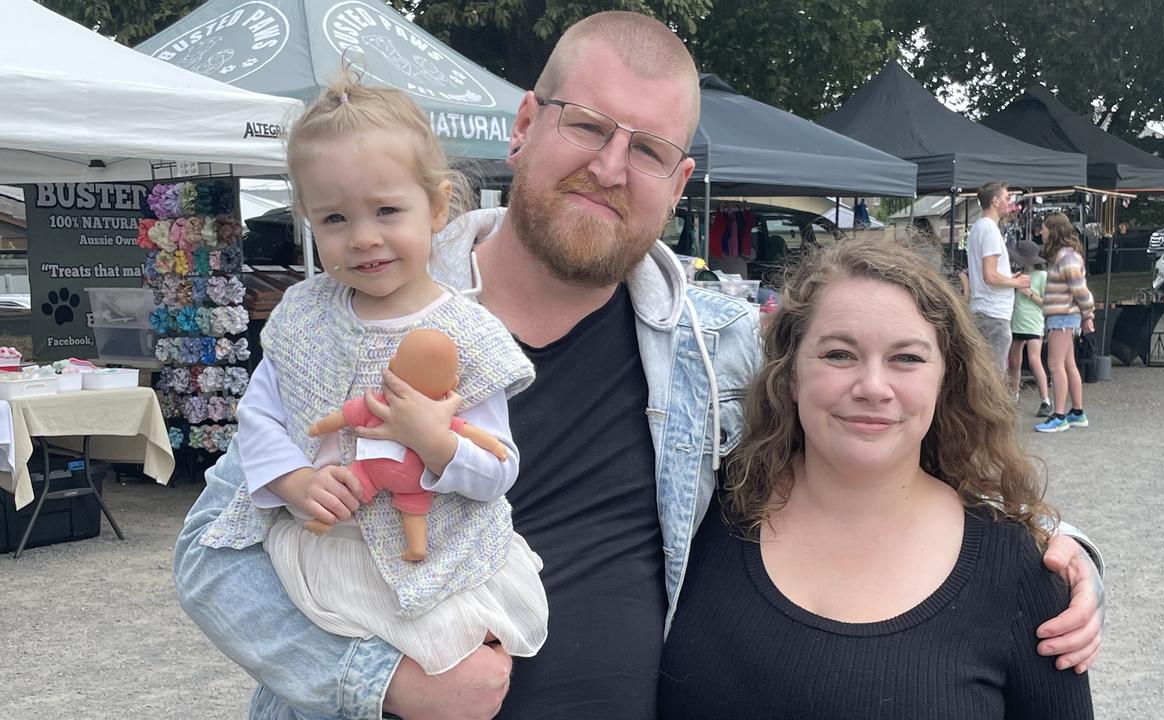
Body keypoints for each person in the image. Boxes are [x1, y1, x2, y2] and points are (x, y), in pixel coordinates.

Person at [174, 12, 1105, 720]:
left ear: (679, 182)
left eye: (649, 149)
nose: (611, 167)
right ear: (525, 124)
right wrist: (388, 687)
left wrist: (1055, 554)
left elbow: (876, 436)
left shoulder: (718, 347)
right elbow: (211, 557)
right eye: (587, 126)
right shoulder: (349, 322)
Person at [658, 236, 1093, 718]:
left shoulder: (1021, 572)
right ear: (790, 373)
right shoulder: (698, 516)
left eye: (906, 358)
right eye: (839, 354)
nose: (872, 387)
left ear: (946, 378)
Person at [203, 76, 549, 677]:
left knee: (451, 680)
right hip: (328, 548)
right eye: (334, 218)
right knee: (343, 684)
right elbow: (259, 414)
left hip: (439, 558)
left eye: (387, 210)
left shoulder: (470, 334)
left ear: (438, 205)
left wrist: (435, 442)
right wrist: (291, 479)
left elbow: (499, 470)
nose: (363, 237)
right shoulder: (303, 315)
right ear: (308, 220)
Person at [1035, 213, 1095, 433]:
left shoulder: (1066, 258)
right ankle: (1077, 412)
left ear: (1054, 230)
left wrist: (1089, 314)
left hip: (1062, 316)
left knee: (1055, 365)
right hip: (1064, 316)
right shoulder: (1066, 256)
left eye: (1044, 228)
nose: (1041, 232)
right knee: (1068, 364)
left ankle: (1059, 415)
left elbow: (1080, 290)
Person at [966, 182, 1032, 371]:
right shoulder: (990, 230)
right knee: (995, 374)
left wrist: (1008, 277)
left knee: (984, 370)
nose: (1009, 202)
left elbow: (986, 272)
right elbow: (990, 276)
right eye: (1006, 198)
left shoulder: (977, 228)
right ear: (995, 201)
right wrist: (1015, 282)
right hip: (993, 312)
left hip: (983, 309)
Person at [1008, 236, 1052, 416]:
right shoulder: (1017, 276)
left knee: (1034, 360)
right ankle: (1013, 397)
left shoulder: (1042, 276)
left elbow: (1046, 303)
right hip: (1017, 321)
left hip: (1034, 323)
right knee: (1014, 362)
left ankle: (1045, 400)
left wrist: (1027, 293)